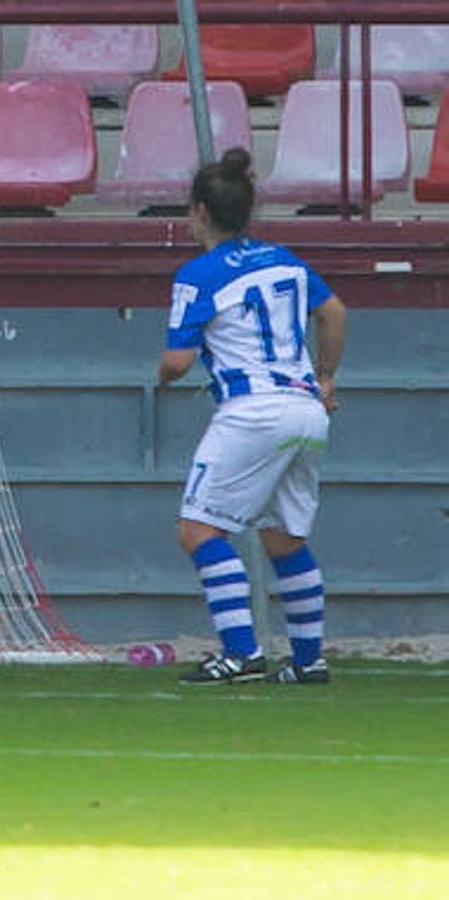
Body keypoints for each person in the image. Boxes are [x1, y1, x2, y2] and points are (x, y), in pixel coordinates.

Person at [158, 149, 345, 686]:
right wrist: (326, 376)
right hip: (306, 411)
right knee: (284, 537)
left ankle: (240, 652)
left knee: (197, 528)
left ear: (197, 212)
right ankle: (309, 660)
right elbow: (334, 313)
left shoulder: (198, 274)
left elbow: (177, 360)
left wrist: (164, 376)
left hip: (252, 412)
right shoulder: (285, 260)